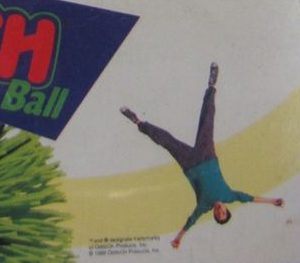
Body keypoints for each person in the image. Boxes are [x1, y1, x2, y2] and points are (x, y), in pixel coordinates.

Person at [120, 63, 284, 248]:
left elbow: (190, 222)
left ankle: (137, 121)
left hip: (189, 164)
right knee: (207, 121)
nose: (219, 212)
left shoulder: (203, 206)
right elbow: (252, 199)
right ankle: (212, 86)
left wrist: (178, 238)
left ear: (214, 214)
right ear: (227, 209)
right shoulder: (231, 196)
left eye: (217, 215)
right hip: (207, 157)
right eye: (223, 213)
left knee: (165, 141)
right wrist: (273, 202)